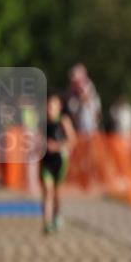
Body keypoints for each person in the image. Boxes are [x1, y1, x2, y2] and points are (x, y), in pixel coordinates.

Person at [40, 92, 77, 234]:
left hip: (60, 161)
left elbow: (73, 141)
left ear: (59, 107)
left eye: (52, 106)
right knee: (47, 191)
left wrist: (57, 146)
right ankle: (47, 223)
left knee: (57, 194)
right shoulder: (42, 122)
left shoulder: (63, 121)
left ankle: (57, 216)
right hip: (46, 161)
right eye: (48, 106)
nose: (49, 109)